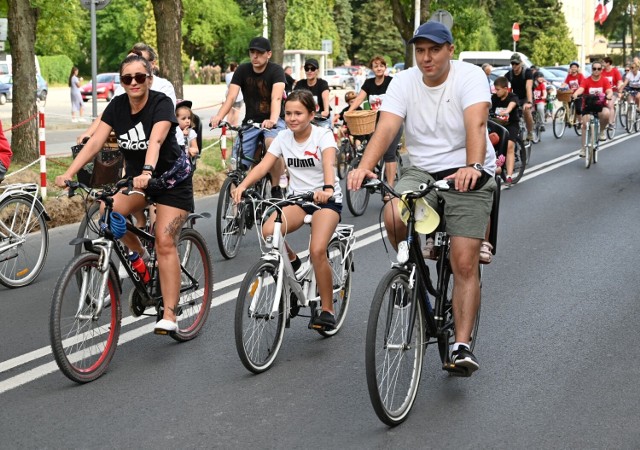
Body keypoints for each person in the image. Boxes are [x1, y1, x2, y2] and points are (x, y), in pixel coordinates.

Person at [347, 21, 496, 373]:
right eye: (420, 50)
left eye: (433, 50)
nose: (426, 58)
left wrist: (473, 165)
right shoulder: (404, 81)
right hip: (422, 170)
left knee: (462, 261)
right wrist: (365, 167)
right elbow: (386, 127)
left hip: (466, 169)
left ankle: (460, 346)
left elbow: (476, 123)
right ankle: (410, 267)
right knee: (391, 215)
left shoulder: (470, 77)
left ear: (449, 50)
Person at [55, 54, 193, 335]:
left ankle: (169, 313)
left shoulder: (161, 103)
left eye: (139, 77)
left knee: (166, 242)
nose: (133, 83)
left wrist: (147, 170)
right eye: (127, 78)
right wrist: (69, 173)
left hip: (170, 181)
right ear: (121, 82)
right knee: (107, 211)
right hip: (137, 180)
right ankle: (139, 253)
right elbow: (95, 142)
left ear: (149, 79)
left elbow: (155, 139)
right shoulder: (117, 106)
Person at [231, 90, 342, 330]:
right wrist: (241, 186)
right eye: (288, 113)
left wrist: (328, 187)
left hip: (325, 199)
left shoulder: (323, 136)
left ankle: (327, 309)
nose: (292, 118)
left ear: (311, 114)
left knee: (317, 249)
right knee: (269, 230)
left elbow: (328, 163)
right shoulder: (283, 137)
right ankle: (294, 265)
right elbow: (263, 166)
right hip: (299, 200)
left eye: (298, 113)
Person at [209, 37, 287, 198]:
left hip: (273, 121)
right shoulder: (242, 70)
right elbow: (231, 97)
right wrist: (219, 116)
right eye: (252, 52)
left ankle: (276, 187)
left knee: (272, 144)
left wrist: (272, 120)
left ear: (269, 54)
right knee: (236, 166)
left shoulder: (276, 71)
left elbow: (276, 98)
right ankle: (235, 217)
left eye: (260, 53)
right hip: (251, 123)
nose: (255, 56)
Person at [77, 43, 177, 144]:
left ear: (152, 64)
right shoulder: (124, 87)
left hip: (164, 150)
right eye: (129, 61)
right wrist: (89, 133)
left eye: (140, 60)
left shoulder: (164, 87)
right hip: (135, 147)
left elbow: (158, 137)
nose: (133, 82)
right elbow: (108, 113)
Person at [348, 56, 402, 195]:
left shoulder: (392, 81)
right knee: (371, 150)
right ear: (372, 68)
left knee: (389, 154)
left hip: (392, 123)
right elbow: (360, 98)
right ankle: (373, 177)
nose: (379, 68)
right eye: (375, 66)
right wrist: (349, 111)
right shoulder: (369, 83)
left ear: (385, 67)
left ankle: (390, 188)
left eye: (381, 65)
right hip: (374, 124)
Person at [572, 61, 613, 154]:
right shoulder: (586, 80)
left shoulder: (604, 80)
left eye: (599, 69)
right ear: (592, 69)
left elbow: (609, 90)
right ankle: (583, 149)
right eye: (594, 69)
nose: (596, 71)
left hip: (600, 105)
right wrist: (575, 94)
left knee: (606, 113)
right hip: (588, 106)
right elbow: (581, 89)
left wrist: (609, 95)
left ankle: (602, 131)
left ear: (601, 70)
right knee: (584, 125)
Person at [491, 76, 520, 184]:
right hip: (497, 125)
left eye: (498, 89)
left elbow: (512, 104)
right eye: (495, 89)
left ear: (505, 89)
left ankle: (509, 175)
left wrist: (507, 110)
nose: (496, 92)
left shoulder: (512, 97)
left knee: (509, 146)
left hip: (511, 125)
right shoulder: (494, 98)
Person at [294, 58, 331, 128]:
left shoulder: (322, 83)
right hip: (305, 120)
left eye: (313, 69)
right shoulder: (300, 84)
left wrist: (325, 111)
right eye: (307, 69)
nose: (309, 71)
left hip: (321, 120)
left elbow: (325, 100)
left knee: (324, 135)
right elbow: (294, 100)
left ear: (318, 70)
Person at [505, 53, 534, 141]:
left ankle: (530, 132)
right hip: (516, 97)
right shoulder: (508, 74)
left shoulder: (527, 72)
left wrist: (529, 102)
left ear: (521, 63)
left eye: (516, 63)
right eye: (512, 63)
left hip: (526, 96)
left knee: (526, 110)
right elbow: (505, 88)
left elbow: (528, 87)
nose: (514, 66)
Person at [224, 63, 243, 127]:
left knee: (230, 111)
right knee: (237, 111)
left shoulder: (227, 75)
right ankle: (235, 125)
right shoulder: (238, 75)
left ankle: (228, 124)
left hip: (229, 95)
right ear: (235, 68)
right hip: (238, 96)